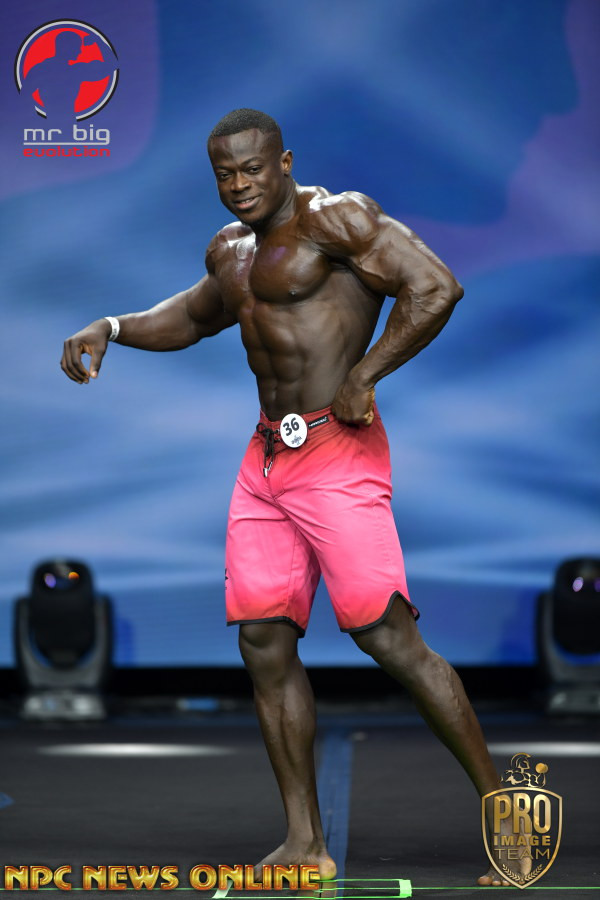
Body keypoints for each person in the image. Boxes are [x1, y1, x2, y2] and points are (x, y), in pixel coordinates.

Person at [61, 108, 516, 887]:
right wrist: (112, 326)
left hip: (339, 452)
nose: (239, 185)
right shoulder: (229, 251)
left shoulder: (338, 218)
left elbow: (436, 286)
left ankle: (506, 818)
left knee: (390, 641)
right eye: (225, 174)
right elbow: (194, 315)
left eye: (252, 169)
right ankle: (305, 841)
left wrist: (365, 375)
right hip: (266, 461)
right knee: (263, 643)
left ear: (284, 162)